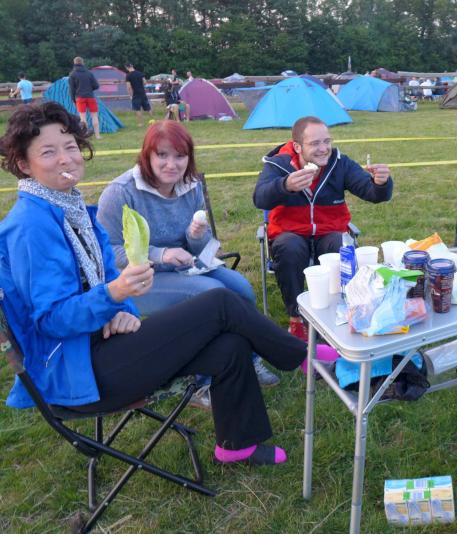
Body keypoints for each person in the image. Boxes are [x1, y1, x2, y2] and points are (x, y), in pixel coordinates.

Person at [0, 102, 306, 465]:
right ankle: (304, 357)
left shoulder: (72, 208)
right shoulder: (31, 224)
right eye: (48, 152)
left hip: (101, 343)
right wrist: (115, 296)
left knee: (230, 345)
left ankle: (237, 445)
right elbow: (51, 319)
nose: (66, 158)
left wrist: (123, 308)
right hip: (76, 373)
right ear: (24, 165)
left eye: (70, 147)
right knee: (220, 303)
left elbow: (108, 278)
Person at [97, 119, 280, 398]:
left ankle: (249, 358)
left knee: (241, 287)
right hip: (139, 280)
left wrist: (196, 235)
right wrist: (161, 254)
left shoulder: (190, 186)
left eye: (180, 156)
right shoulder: (121, 192)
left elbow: (200, 246)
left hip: (186, 269)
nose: (172, 164)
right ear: (147, 155)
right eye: (162, 155)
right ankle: (202, 381)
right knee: (212, 294)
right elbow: (106, 252)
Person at [253, 116, 393, 341]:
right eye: (315, 143)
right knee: (289, 247)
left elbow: (372, 193)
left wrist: (381, 183)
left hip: (328, 231)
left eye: (327, 141)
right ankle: (297, 319)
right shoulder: (278, 165)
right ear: (297, 146)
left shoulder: (339, 163)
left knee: (340, 246)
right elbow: (260, 198)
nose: (323, 148)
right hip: (290, 233)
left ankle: (339, 312)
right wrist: (285, 185)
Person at [68, 57, 101, 140]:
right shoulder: (89, 73)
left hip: (80, 98)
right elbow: (96, 86)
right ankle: (98, 135)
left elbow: (72, 89)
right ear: (83, 63)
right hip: (90, 97)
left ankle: (85, 136)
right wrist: (89, 89)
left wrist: (73, 99)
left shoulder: (72, 74)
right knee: (94, 116)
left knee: (83, 118)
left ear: (74, 63)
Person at [125, 63, 152, 127]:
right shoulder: (140, 73)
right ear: (132, 66)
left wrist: (130, 95)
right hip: (142, 93)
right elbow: (145, 82)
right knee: (148, 108)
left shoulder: (128, 75)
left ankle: (141, 123)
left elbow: (128, 87)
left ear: (127, 67)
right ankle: (153, 120)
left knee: (137, 109)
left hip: (135, 94)